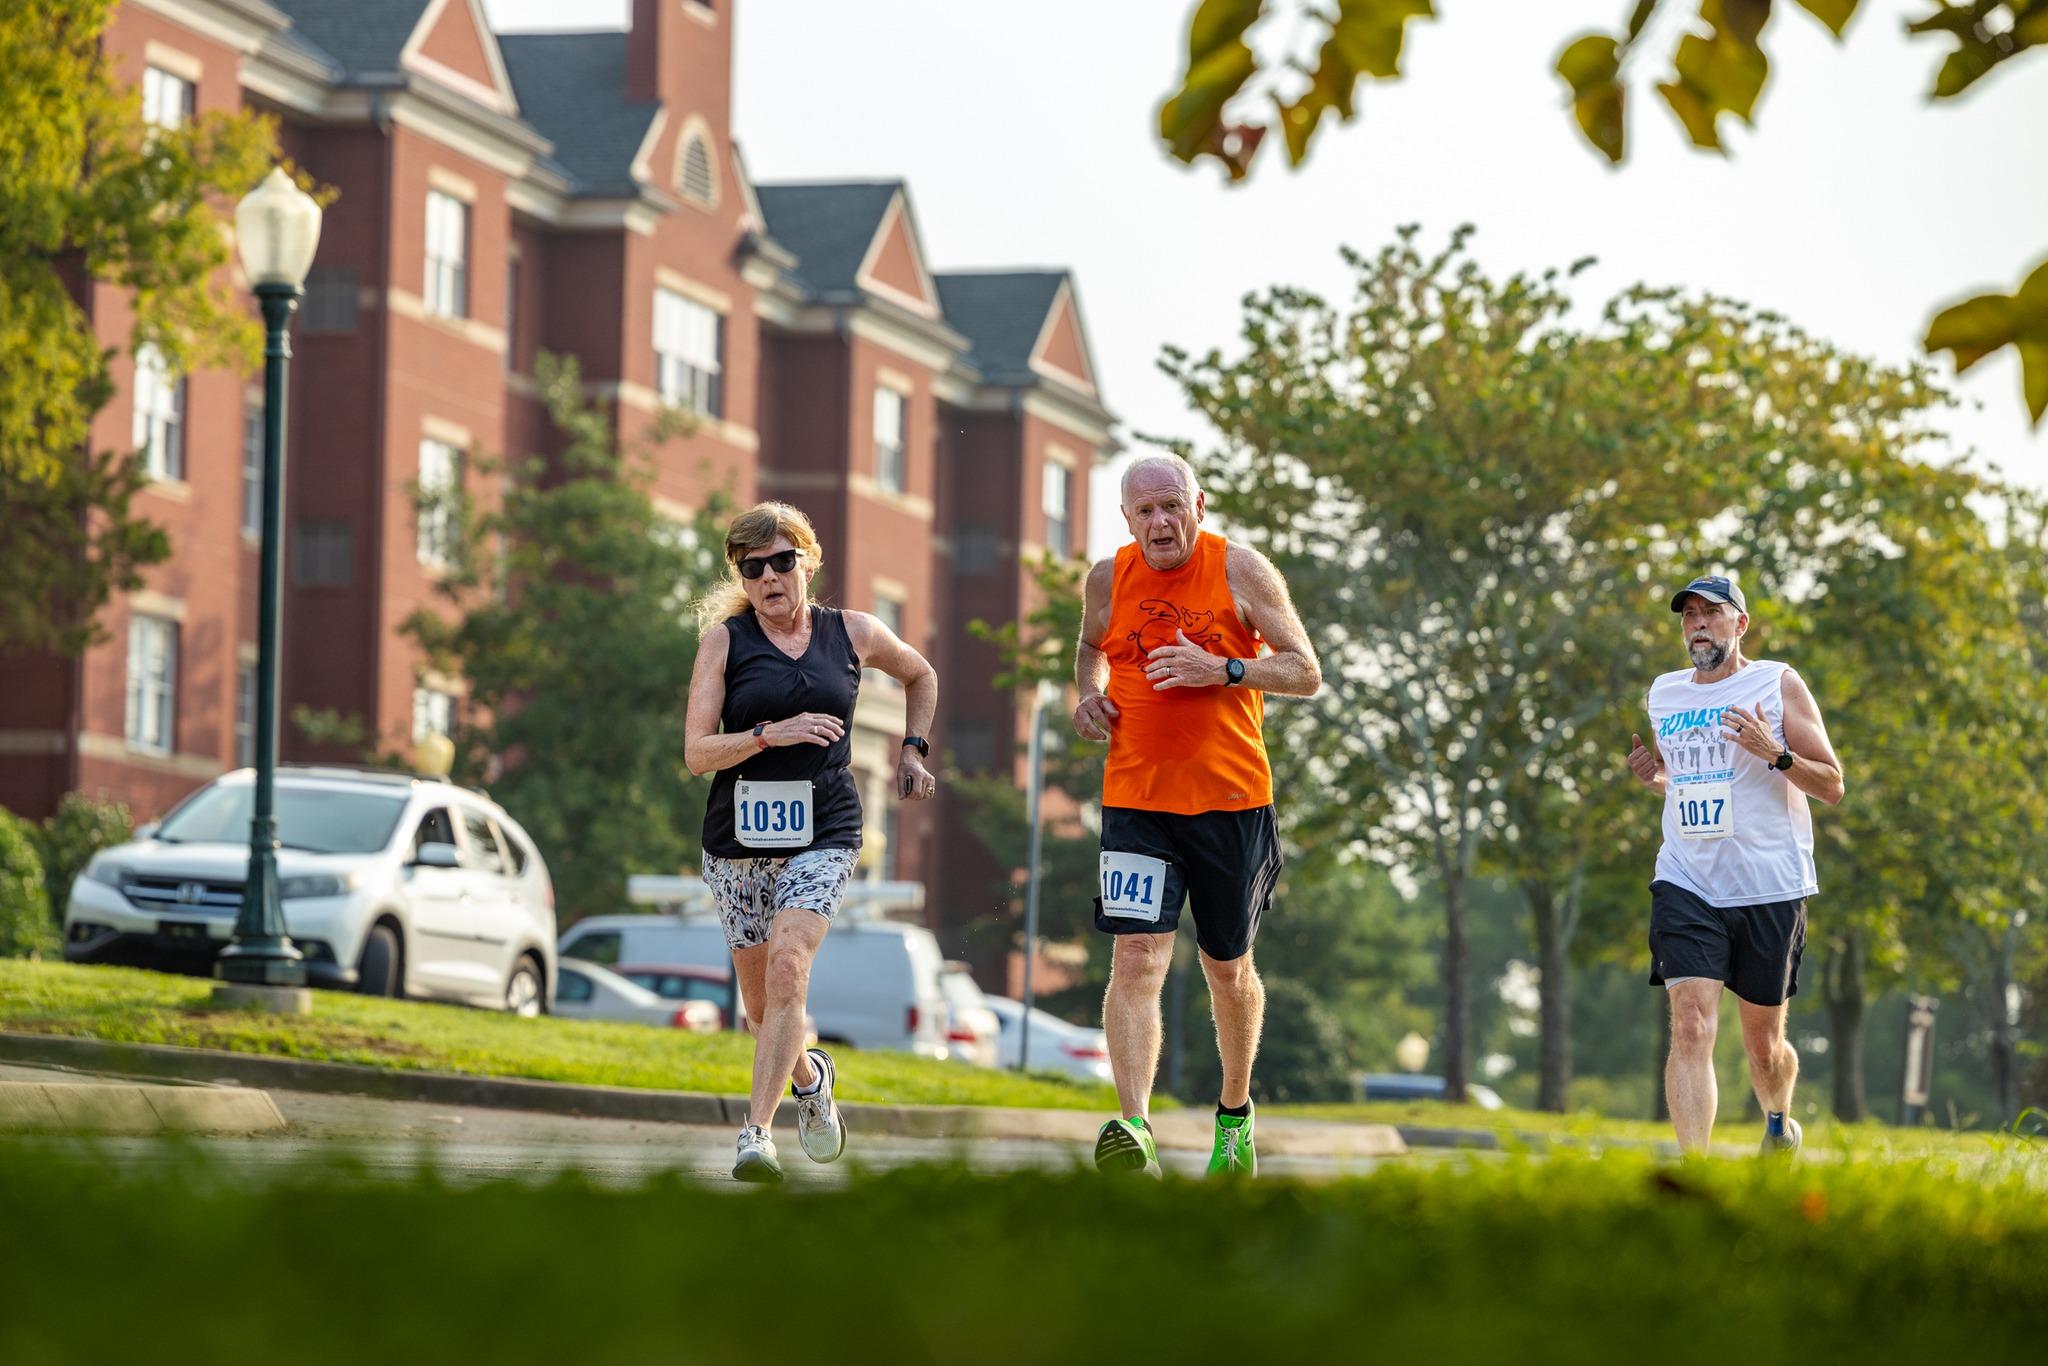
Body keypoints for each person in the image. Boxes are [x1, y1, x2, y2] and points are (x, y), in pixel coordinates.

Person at [1071, 453, 1321, 1177]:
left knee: (1226, 968)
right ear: (1126, 519)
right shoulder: (1106, 578)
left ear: (1199, 506)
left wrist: (1225, 669)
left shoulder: (1240, 570)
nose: (1160, 523)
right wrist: (1087, 694)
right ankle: (1134, 1124)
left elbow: (1305, 670)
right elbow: (1089, 647)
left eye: (1172, 506)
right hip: (1136, 801)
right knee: (1136, 954)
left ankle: (1234, 1114)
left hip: (1231, 803)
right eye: (1145, 511)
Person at [685, 502, 938, 1182]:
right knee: (761, 1009)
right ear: (742, 577)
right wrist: (769, 734)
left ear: (808, 560)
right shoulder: (725, 644)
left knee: (790, 965)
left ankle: (756, 1135)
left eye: (781, 561)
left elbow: (921, 674)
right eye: (753, 568)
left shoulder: (853, 632)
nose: (769, 577)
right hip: (736, 840)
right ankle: (809, 1076)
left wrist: (912, 750)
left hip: (825, 828)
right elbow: (697, 753)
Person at [1627, 575, 1845, 1155]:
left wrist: (1775, 753)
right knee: (1691, 1023)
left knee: (1763, 1050)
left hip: (1768, 885)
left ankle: (1778, 1124)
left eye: (1711, 613)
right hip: (1687, 878)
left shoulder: (1777, 683)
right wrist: (1655, 777)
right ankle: (1694, 1177)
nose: (1698, 623)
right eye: (1688, 615)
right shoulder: (1665, 693)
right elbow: (1683, 779)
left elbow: (1831, 785)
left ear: (1740, 624)